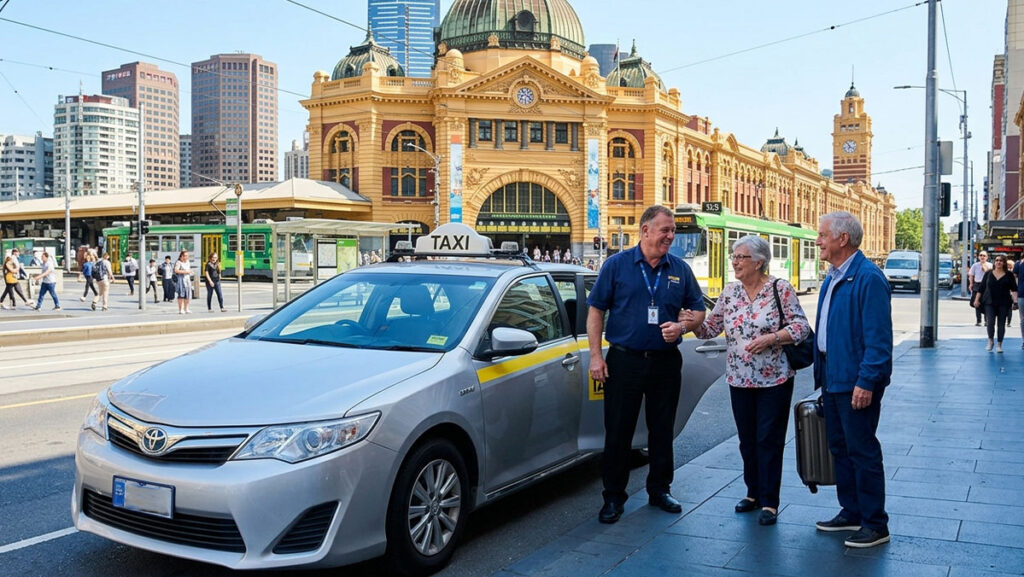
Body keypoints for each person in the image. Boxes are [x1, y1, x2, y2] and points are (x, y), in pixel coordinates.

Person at [586, 205, 706, 524]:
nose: (670, 236)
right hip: (624, 360)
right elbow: (596, 311)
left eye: (673, 231)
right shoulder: (617, 265)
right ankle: (613, 497)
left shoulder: (679, 268)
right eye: (665, 230)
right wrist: (596, 356)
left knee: (662, 429)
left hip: (665, 363)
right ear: (645, 231)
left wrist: (682, 327)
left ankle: (659, 490)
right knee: (618, 432)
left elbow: (698, 311)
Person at [684, 235, 810, 526]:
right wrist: (690, 322)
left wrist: (773, 338)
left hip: (774, 378)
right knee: (747, 440)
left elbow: (801, 327)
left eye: (740, 257)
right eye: (734, 256)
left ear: (759, 262)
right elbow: (710, 329)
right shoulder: (730, 293)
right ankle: (752, 493)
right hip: (739, 378)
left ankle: (770, 502)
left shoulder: (780, 289)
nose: (734, 262)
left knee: (769, 439)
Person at [812, 211, 893, 549]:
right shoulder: (833, 276)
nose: (818, 241)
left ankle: (875, 524)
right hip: (833, 375)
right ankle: (852, 511)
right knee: (840, 448)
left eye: (822, 235)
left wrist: (867, 381)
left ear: (842, 239)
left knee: (862, 450)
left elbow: (878, 339)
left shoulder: (867, 277)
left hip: (855, 379)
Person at [974, 254, 1018, 353]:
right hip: (989, 302)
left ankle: (999, 344)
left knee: (1001, 324)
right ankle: (990, 342)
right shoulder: (989, 273)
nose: (998, 262)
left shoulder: (1009, 275)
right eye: (997, 260)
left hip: (1004, 302)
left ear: (1004, 263)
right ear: (994, 262)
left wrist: (1015, 302)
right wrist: (976, 300)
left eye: (1001, 261)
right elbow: (981, 288)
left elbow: (1014, 289)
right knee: (990, 322)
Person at [968, 251, 992, 326]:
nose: (982, 257)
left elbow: (992, 275)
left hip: (986, 285)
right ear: (978, 257)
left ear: (987, 257)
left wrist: (985, 268)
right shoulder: (975, 265)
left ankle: (986, 320)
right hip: (977, 284)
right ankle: (979, 320)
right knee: (975, 302)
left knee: (986, 303)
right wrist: (971, 284)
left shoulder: (990, 265)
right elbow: (971, 275)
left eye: (984, 255)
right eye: (981, 255)